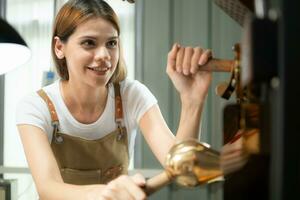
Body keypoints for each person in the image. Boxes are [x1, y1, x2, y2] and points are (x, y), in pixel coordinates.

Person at [16, 0, 212, 199]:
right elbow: (48, 188)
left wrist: (191, 100)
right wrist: (108, 193)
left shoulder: (132, 95)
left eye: (111, 43)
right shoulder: (35, 106)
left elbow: (183, 168)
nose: (104, 55)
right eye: (89, 43)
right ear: (59, 47)